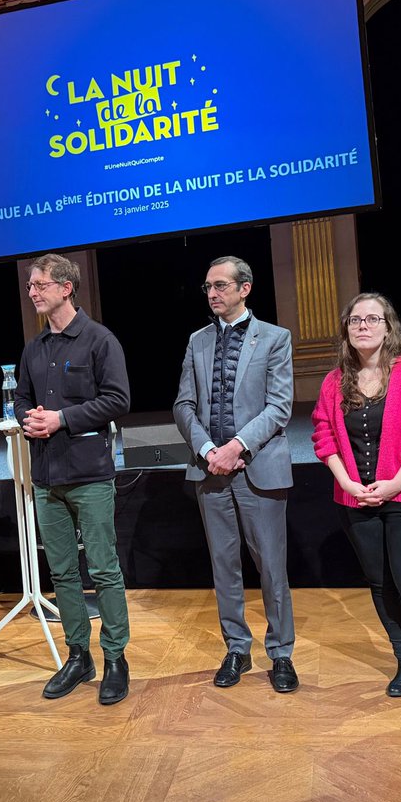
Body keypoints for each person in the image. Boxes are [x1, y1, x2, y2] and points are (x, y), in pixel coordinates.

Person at [312, 294, 401, 703]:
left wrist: (395, 483)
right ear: (346, 330)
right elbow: (324, 436)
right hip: (355, 499)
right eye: (355, 320)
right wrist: (347, 483)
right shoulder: (333, 380)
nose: (363, 326)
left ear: (389, 327)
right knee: (381, 584)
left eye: (373, 319)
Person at [174, 256, 298, 693]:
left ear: (245, 288)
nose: (212, 293)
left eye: (221, 286)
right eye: (208, 286)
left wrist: (236, 447)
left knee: (271, 568)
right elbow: (183, 405)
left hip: (257, 468)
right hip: (210, 471)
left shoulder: (275, 338)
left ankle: (281, 653)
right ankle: (237, 649)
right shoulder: (197, 341)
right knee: (224, 566)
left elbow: (279, 406)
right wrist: (209, 450)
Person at [14, 253, 132, 705]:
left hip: (88, 474)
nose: (33, 292)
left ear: (66, 288)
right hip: (46, 475)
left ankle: (116, 659)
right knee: (62, 571)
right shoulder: (34, 347)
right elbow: (22, 397)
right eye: (30, 285)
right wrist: (30, 417)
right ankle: (78, 655)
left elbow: (118, 399)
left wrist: (62, 418)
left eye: (40, 284)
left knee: (103, 570)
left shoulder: (100, 340)